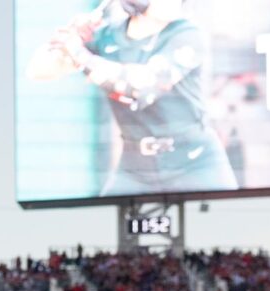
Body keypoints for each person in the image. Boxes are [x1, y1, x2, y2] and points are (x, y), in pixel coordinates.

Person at [26, 0, 235, 197]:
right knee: (102, 224)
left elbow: (140, 87)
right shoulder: (107, 35)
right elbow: (38, 71)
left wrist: (79, 54)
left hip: (194, 162)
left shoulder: (187, 33)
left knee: (227, 225)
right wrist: (72, 38)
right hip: (136, 167)